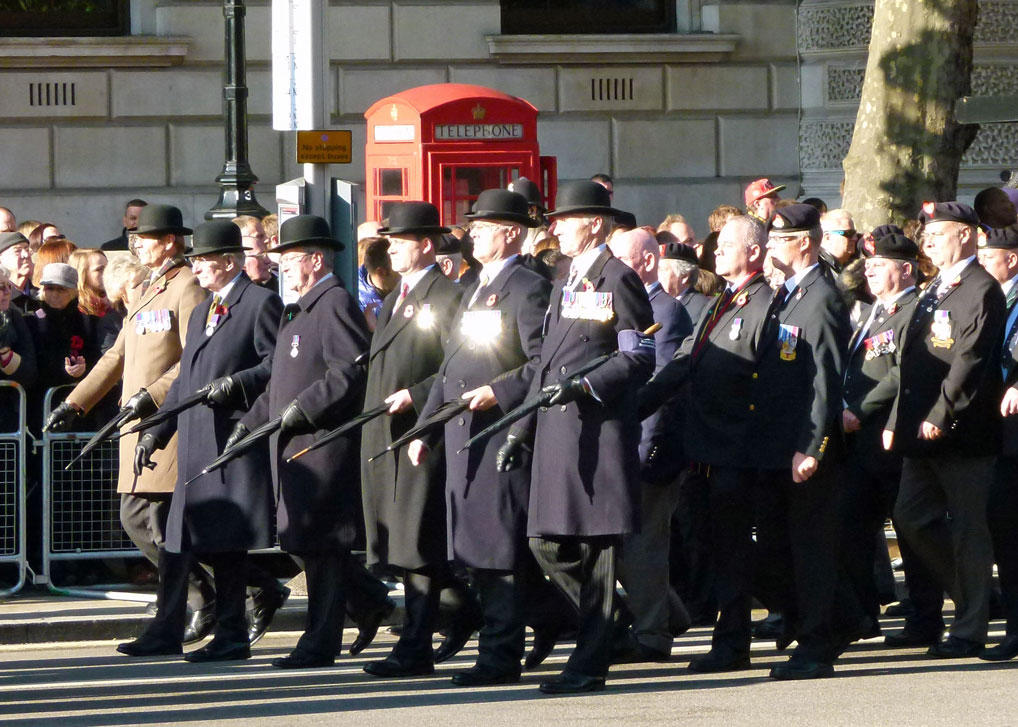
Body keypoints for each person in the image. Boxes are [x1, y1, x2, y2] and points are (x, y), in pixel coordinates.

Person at [498, 180, 655, 694]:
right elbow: (543, 363)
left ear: (594, 223)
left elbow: (638, 356)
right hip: (555, 434)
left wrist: (587, 383)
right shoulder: (565, 278)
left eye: (564, 220)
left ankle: (590, 663)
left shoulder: (620, 277)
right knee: (544, 542)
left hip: (597, 434)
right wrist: (520, 427)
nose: (555, 228)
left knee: (596, 553)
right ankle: (612, 625)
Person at [407, 189, 564, 685]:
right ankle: (568, 621)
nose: (471, 233)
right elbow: (448, 368)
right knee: (475, 554)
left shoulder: (528, 286)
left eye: (482, 227)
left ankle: (499, 658)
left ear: (512, 232)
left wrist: (499, 390)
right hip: (459, 438)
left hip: (499, 437)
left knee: (498, 555)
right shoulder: (473, 285)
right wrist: (424, 429)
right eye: (471, 227)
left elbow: (543, 364)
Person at [43, 204, 216, 648]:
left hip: (167, 423)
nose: (136, 244)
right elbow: (116, 356)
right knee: (145, 521)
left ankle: (180, 615)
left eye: (146, 238)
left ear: (170, 242)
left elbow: (194, 358)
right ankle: (236, 590)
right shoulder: (148, 289)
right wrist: (76, 402)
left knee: (151, 520)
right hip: (137, 426)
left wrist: (155, 395)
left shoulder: (188, 285)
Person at [132, 220, 286, 661]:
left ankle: (232, 635)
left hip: (230, 440)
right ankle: (172, 629)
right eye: (194, 261)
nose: (196, 269)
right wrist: (157, 431)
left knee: (227, 546)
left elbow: (275, 366)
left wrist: (237, 383)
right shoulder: (203, 310)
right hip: (197, 443)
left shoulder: (260, 303)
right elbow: (186, 380)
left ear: (229, 262)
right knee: (183, 539)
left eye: (202, 261)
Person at [640, 216, 783, 675]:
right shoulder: (720, 300)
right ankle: (739, 632)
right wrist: (632, 404)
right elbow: (682, 362)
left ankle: (737, 639)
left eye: (725, 246)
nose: (715, 253)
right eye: (716, 247)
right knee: (715, 547)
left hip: (738, 448)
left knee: (735, 548)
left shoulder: (766, 303)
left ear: (755, 252)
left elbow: (771, 383)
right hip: (703, 447)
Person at [233, 215, 374, 669]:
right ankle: (369, 603)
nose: (284, 268)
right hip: (293, 445)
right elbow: (280, 382)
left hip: (320, 445)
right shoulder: (298, 307)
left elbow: (349, 371)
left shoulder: (333, 303)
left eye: (291, 260)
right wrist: (252, 421)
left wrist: (305, 409)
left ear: (316, 259)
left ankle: (320, 642)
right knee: (304, 543)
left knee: (323, 549)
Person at [360, 201, 479, 678]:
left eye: (400, 241)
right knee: (401, 543)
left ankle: (416, 646)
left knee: (417, 542)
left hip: (420, 432)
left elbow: (461, 366)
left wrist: (419, 394)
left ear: (425, 245)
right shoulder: (396, 295)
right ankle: (465, 611)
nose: (390, 248)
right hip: (386, 435)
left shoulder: (447, 295)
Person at [885, 201, 1006, 659]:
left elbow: (970, 359)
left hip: (962, 432)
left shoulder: (981, 288)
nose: (929, 240)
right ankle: (974, 598)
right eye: (927, 233)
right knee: (911, 518)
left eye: (940, 232)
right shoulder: (935, 286)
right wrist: (900, 420)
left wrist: (941, 413)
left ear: (968, 235)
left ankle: (971, 628)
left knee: (970, 532)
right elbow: (909, 364)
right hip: (920, 431)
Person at [757, 204, 851, 679]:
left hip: (805, 443)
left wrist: (812, 446)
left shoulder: (821, 298)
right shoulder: (791, 294)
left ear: (805, 243)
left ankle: (817, 644)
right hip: (778, 441)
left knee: (811, 547)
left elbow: (824, 382)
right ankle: (831, 620)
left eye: (779, 239)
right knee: (781, 544)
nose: (771, 246)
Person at [839, 233, 942, 648]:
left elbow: (900, 370)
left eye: (879, 265)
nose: (870, 270)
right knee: (854, 528)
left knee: (910, 530)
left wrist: (860, 408)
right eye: (868, 264)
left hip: (889, 435)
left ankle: (924, 618)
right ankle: (863, 613)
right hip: (858, 442)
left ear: (905, 269)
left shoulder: (914, 308)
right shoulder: (872, 310)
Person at [607, 228, 693, 663]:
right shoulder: (624, 305)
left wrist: (647, 449)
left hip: (650, 447)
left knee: (643, 544)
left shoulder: (667, 310)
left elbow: (663, 386)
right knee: (622, 543)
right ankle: (669, 614)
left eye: (620, 259)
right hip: (619, 443)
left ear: (645, 261)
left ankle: (653, 634)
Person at [985, 224, 1018, 661]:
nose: (981, 263)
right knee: (1006, 529)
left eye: (988, 255)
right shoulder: (991, 297)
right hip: (1000, 434)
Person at [23, 263, 102, 429]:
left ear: (73, 292)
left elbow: (99, 360)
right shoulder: (30, 322)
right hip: (40, 407)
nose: (55, 294)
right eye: (50, 289)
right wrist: (63, 371)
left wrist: (82, 370)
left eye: (61, 289)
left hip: (78, 410)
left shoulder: (88, 323)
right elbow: (31, 365)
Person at [0, 264, 37, 395]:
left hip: (7, 406)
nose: (8, 292)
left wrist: (8, 360)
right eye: (1, 287)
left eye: (8, 286)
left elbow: (29, 372)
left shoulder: (14, 315)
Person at [232, 216, 276, 290]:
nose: (266, 240)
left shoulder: (275, 287)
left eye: (265, 255)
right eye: (259, 236)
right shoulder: (222, 293)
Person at [0, 232, 39, 314]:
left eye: (27, 249)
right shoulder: (4, 298)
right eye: (17, 251)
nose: (26, 255)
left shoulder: (41, 297)